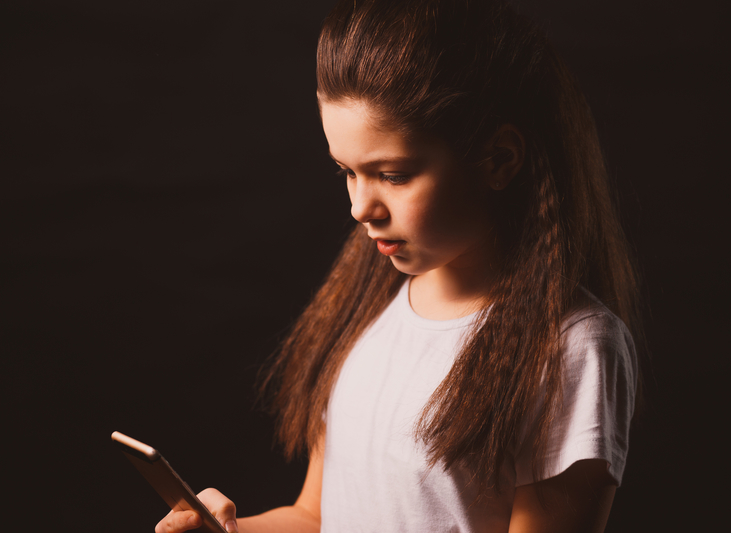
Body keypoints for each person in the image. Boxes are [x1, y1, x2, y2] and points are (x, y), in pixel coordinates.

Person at [157, 0, 642, 531]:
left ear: (500, 159)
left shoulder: (571, 346)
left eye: (392, 174)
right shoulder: (366, 305)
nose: (359, 208)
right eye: (347, 171)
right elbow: (315, 515)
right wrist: (228, 530)